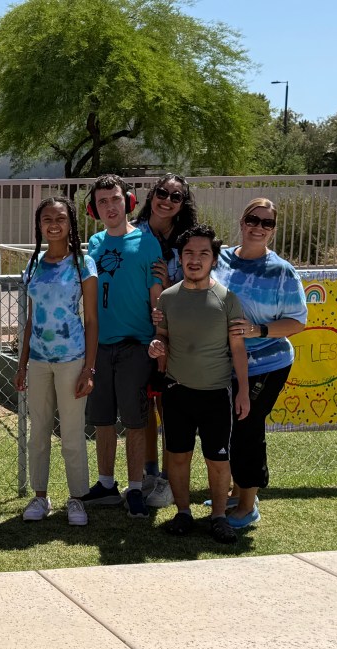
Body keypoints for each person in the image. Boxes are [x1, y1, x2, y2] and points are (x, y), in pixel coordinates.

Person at [148, 225, 249, 543]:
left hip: (217, 394)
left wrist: (243, 391)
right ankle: (183, 513)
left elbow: (237, 349)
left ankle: (218, 517)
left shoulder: (228, 300)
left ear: (214, 260)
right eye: (189, 253)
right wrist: (156, 346)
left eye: (203, 253)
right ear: (181, 256)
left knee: (218, 459)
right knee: (178, 456)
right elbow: (161, 338)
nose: (195, 259)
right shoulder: (167, 298)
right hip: (177, 392)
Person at [212, 198, 307, 529]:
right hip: (225, 363)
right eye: (254, 219)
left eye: (267, 223)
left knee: (248, 430)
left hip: (267, 363)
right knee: (231, 429)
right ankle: (237, 493)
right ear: (242, 221)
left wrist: (258, 329)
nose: (258, 227)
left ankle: (248, 507)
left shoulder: (281, 271)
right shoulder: (221, 257)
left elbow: (297, 322)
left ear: (273, 231)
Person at [80, 175, 163, 519]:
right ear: (94, 209)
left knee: (134, 421)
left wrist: (161, 340)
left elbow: (156, 298)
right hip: (99, 346)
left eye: (114, 199)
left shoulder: (147, 243)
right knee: (102, 421)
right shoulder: (94, 245)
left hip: (136, 346)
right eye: (102, 202)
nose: (109, 207)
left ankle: (134, 488)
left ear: (127, 201)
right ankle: (106, 484)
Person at [14, 197, 98, 525]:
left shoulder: (83, 264)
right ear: (39, 225)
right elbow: (31, 321)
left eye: (60, 218)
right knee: (39, 433)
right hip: (38, 361)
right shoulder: (34, 264)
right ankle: (39, 497)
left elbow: (91, 320)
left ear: (70, 224)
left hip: (72, 360)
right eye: (47, 218)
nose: (53, 223)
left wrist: (89, 368)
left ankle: (76, 499)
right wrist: (22, 365)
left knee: (73, 434)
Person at [132, 173, 198, 509]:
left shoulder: (188, 239)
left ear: (183, 203)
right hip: (138, 332)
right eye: (162, 193)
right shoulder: (133, 234)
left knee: (171, 409)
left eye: (176, 196)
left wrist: (169, 279)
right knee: (144, 408)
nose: (167, 201)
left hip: (179, 335)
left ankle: (172, 482)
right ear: (151, 194)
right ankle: (149, 474)